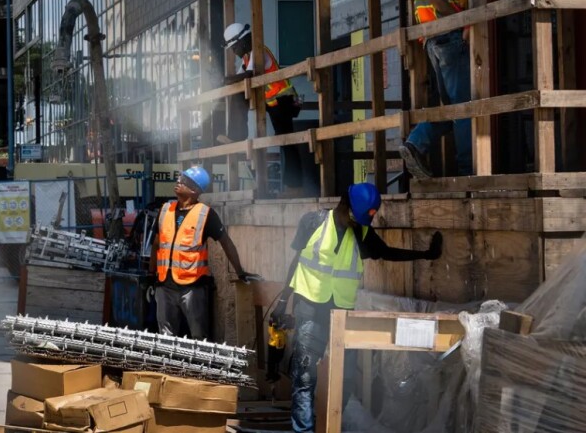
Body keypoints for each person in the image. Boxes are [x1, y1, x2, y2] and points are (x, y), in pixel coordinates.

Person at [269, 183, 443, 433]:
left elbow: (386, 253)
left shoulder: (361, 233)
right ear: (344, 205)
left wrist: (426, 255)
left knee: (346, 380)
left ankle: (330, 426)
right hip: (310, 309)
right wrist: (283, 302)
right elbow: (295, 263)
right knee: (304, 378)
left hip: (341, 314)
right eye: (355, 217)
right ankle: (303, 430)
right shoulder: (313, 222)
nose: (357, 223)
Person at [399, 0, 472, 178]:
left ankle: (417, 143)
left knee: (452, 107)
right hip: (447, 36)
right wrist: (463, 19)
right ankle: (467, 171)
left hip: (431, 38)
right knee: (463, 107)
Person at [150, 166, 260, 339]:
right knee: (165, 338)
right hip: (165, 287)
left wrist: (240, 271)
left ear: (195, 190)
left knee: (199, 337)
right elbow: (156, 244)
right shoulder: (165, 210)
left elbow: (227, 243)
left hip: (192, 289)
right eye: (180, 177)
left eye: (185, 180)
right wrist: (151, 275)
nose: (179, 181)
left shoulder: (205, 215)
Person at [221, 23, 304, 193]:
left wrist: (227, 80)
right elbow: (241, 77)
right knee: (237, 93)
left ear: (242, 42)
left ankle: (295, 187)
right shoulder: (247, 57)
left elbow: (249, 75)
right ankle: (236, 135)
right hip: (271, 102)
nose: (233, 52)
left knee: (287, 141)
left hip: (283, 100)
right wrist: (229, 80)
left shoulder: (259, 52)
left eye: (233, 47)